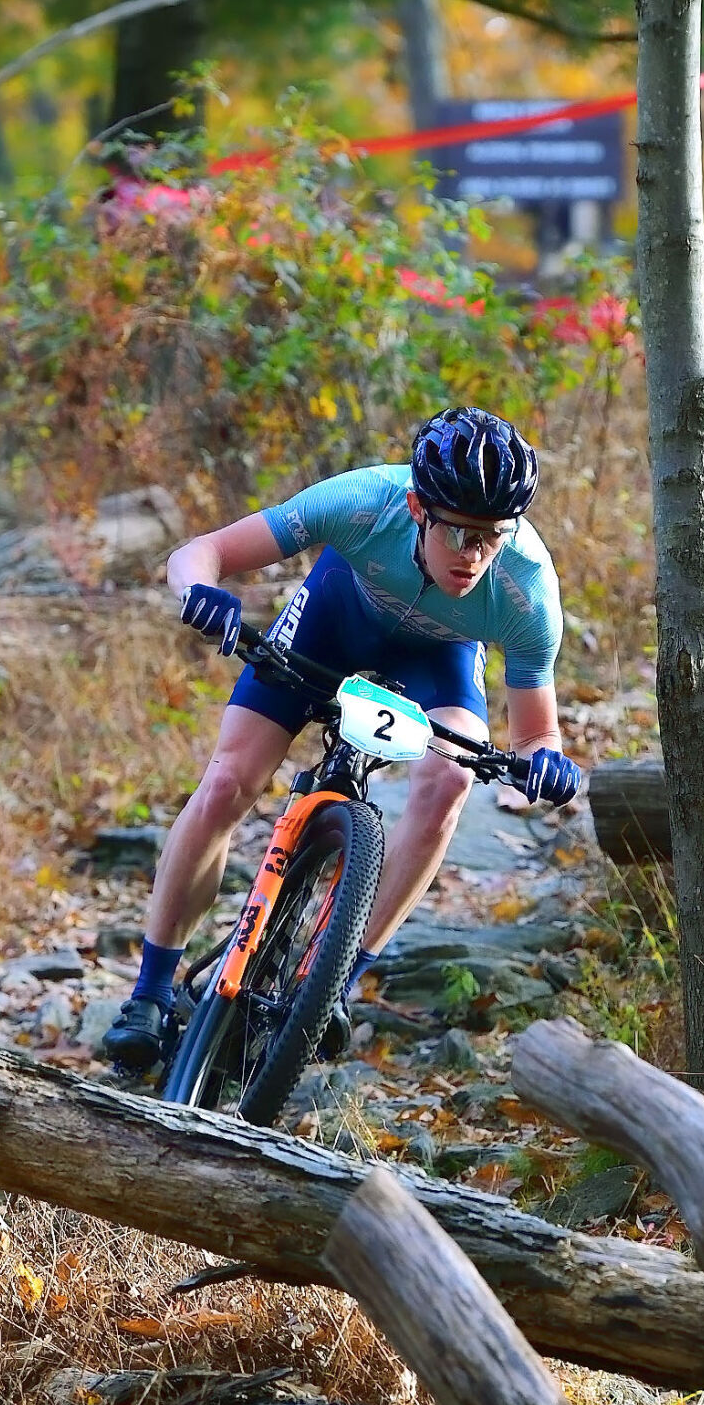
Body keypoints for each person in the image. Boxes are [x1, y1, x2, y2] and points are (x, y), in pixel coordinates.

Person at [102, 405, 582, 1071]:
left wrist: (544, 766)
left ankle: (332, 984)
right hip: (335, 617)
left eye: (491, 535)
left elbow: (536, 734)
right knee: (227, 782)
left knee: (450, 779)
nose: (472, 555)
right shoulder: (362, 502)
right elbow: (197, 554)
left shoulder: (526, 584)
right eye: (458, 532)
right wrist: (200, 592)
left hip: (437, 656)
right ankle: (150, 993)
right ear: (418, 507)